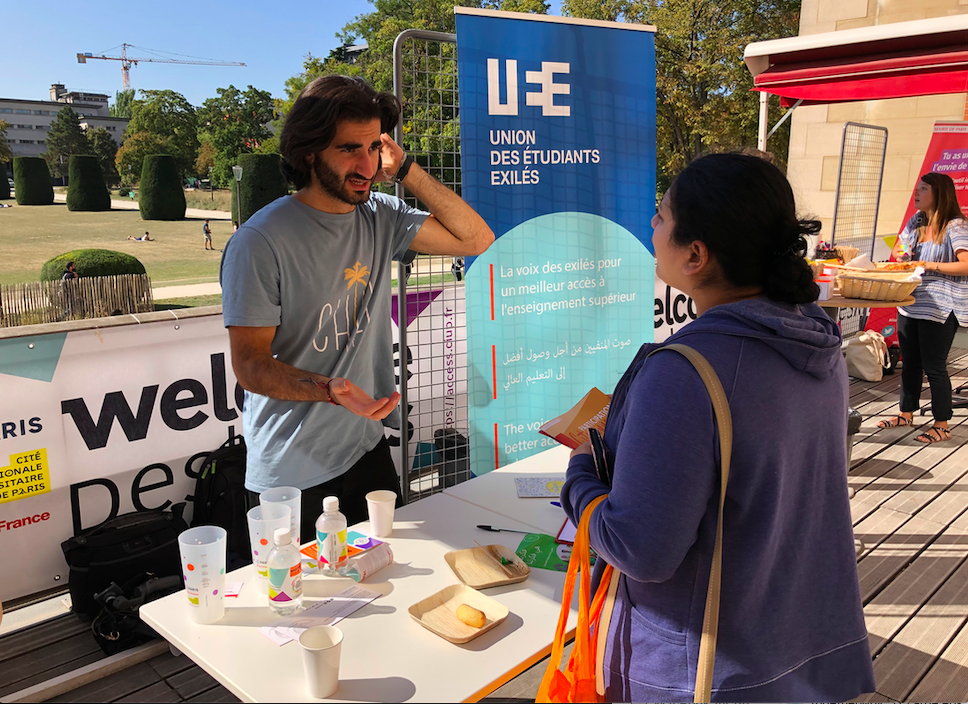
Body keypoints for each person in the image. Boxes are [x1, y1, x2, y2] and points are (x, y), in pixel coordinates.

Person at [561, 153, 874, 702]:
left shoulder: (684, 372)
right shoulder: (816, 341)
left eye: (661, 216)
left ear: (696, 255)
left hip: (700, 672)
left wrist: (581, 471)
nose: (652, 227)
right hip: (797, 652)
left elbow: (641, 550)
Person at [220, 75, 494, 536]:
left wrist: (405, 169)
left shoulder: (380, 214)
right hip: (291, 472)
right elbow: (250, 365)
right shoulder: (259, 242)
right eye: (350, 149)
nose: (366, 164)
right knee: (305, 606)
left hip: (366, 452)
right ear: (309, 152)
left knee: (390, 586)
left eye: (374, 147)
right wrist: (331, 389)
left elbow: (476, 239)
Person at [877, 173, 968, 443]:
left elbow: (966, 264)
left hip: (940, 308)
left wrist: (930, 265)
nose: (916, 193)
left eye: (923, 189)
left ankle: (942, 423)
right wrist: (902, 255)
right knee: (910, 363)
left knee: (934, 366)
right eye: (917, 188)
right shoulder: (917, 221)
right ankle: (906, 413)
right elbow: (899, 251)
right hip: (910, 303)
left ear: (939, 193)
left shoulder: (956, 226)